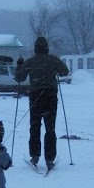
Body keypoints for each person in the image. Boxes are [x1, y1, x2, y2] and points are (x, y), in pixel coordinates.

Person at [14, 36, 69, 171]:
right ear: (47, 47)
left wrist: (19, 65)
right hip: (50, 96)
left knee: (35, 127)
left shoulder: (30, 62)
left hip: (36, 97)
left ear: (35, 48)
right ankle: (49, 158)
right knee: (50, 128)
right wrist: (56, 69)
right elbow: (64, 72)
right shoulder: (53, 60)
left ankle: (35, 155)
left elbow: (19, 78)